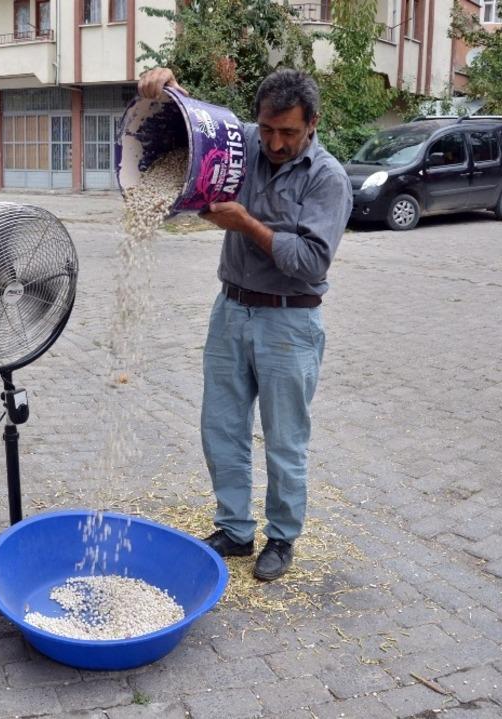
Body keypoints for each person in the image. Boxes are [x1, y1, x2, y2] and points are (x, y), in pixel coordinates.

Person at [138, 67, 352, 581]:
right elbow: (202, 137)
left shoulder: (328, 178)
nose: (274, 143)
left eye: (288, 133)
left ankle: (281, 537)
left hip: (290, 321)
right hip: (231, 309)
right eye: (268, 129)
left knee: (285, 438)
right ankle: (234, 529)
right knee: (222, 427)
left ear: (313, 123)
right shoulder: (246, 142)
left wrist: (248, 225)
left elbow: (311, 262)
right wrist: (171, 94)